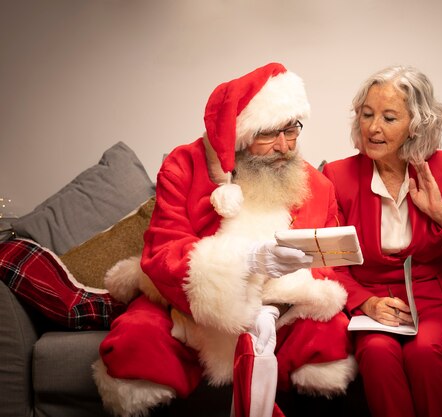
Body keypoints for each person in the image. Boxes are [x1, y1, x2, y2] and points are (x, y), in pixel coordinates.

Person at [93, 63, 357, 417]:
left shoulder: (317, 185)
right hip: (190, 311)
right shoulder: (183, 166)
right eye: (268, 134)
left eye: (291, 129)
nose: (284, 146)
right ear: (239, 134)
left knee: (330, 338)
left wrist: (276, 305)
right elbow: (162, 251)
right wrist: (245, 262)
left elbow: (332, 268)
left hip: (282, 313)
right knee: (136, 341)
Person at [322, 66, 442, 417]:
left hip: (437, 301)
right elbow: (329, 262)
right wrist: (366, 303)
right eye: (367, 114)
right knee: (376, 352)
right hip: (373, 305)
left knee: (424, 351)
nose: (373, 128)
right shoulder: (338, 177)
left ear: (417, 125)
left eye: (389, 118)